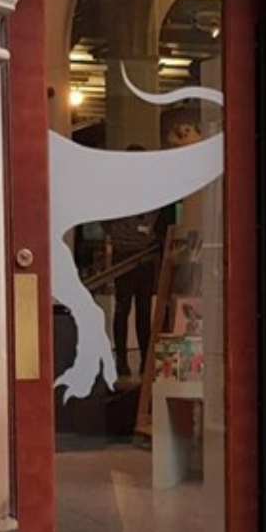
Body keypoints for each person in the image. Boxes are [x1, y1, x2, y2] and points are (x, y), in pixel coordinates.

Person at [103, 144, 174, 380]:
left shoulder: (150, 187)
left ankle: (144, 360)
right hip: (127, 252)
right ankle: (123, 360)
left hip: (142, 253)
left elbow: (162, 217)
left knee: (140, 308)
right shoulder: (117, 188)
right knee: (125, 308)